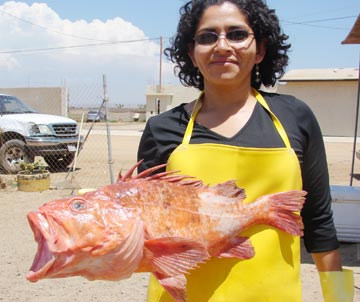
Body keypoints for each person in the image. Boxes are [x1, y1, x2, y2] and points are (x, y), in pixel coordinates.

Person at [137, 1, 354, 301]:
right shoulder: (161, 129)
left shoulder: (296, 117)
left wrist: (340, 298)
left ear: (261, 49)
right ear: (191, 52)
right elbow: (142, 229)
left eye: (237, 34)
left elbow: (319, 222)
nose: (222, 45)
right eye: (207, 37)